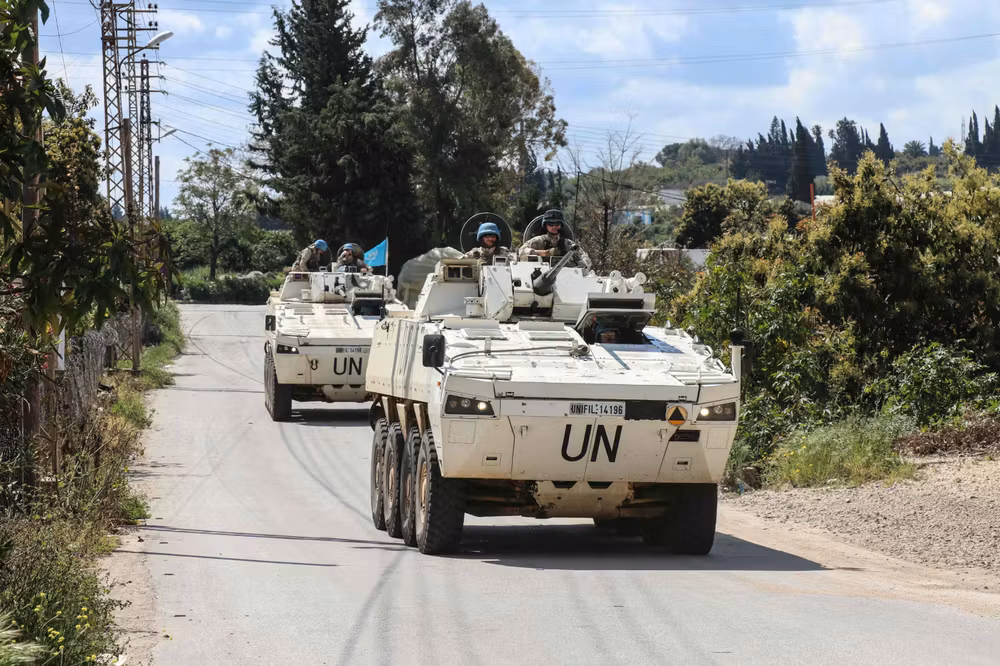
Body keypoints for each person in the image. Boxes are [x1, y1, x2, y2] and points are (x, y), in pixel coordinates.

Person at [517, 209, 591, 269]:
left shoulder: (568, 244)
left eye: (557, 224)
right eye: (551, 224)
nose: (554, 227)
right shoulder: (538, 241)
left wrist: (576, 270)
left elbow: (585, 258)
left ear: (560, 225)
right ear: (546, 225)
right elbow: (521, 251)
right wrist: (542, 253)